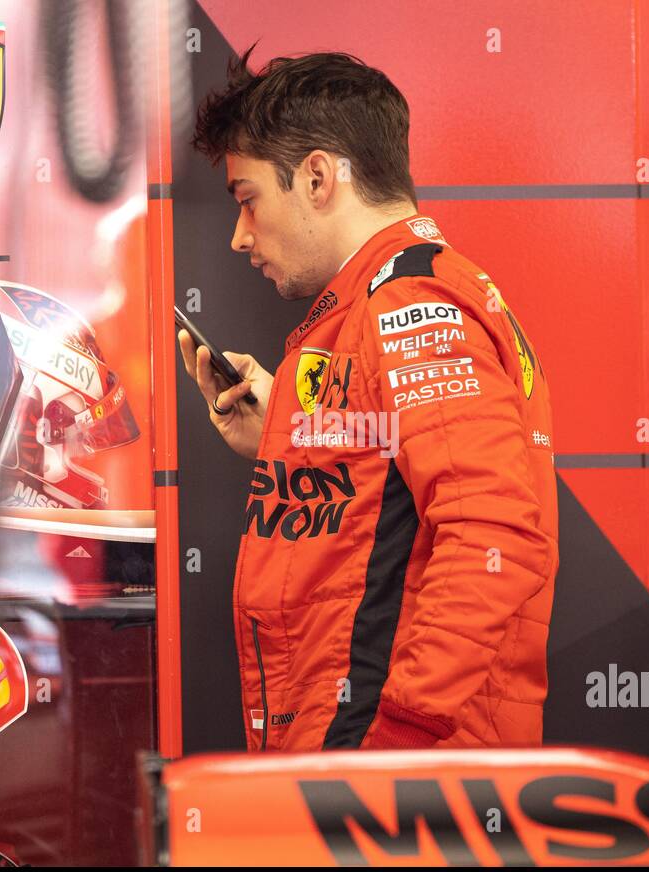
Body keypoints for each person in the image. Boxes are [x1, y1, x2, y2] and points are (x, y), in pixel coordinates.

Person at [179, 45, 559, 750]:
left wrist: (397, 742)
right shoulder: (391, 302)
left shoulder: (410, 307)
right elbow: (383, 508)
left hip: (401, 788)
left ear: (318, 177)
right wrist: (284, 437)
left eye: (248, 199)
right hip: (372, 768)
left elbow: (493, 532)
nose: (239, 236)